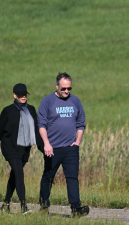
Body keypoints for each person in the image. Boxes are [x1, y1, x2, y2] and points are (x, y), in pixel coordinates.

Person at [0, 83, 43, 215]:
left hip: (24, 149)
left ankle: (6, 204)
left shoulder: (32, 110)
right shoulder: (8, 111)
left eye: (25, 94)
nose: (23, 97)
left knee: (15, 175)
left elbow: (36, 131)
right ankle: (24, 207)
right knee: (19, 174)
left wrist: (44, 149)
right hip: (10, 147)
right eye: (20, 94)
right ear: (14, 95)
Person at [37, 72, 89, 217]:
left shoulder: (75, 101)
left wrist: (77, 142)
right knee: (48, 177)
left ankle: (76, 208)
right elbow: (41, 124)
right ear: (57, 86)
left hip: (70, 148)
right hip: (52, 148)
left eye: (69, 89)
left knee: (72, 177)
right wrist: (46, 144)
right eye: (64, 88)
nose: (67, 91)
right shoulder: (47, 101)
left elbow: (80, 123)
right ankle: (43, 206)